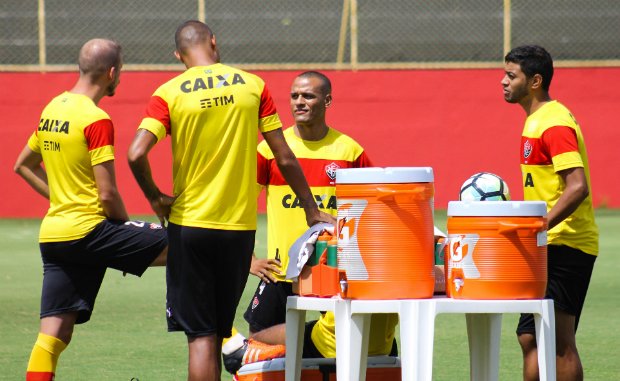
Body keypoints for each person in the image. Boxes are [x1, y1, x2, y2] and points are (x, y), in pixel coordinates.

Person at [126, 22, 334, 381]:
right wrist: (312, 211)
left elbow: (135, 153)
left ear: (179, 56)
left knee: (201, 337)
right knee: (222, 326)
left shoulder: (169, 92)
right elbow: (284, 156)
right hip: (238, 232)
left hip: (190, 226)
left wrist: (156, 198)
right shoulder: (253, 85)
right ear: (214, 43)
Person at [221, 71, 398, 374]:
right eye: (294, 96)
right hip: (284, 269)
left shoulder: (349, 151)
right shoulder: (270, 150)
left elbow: (373, 211)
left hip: (331, 267)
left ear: (327, 100)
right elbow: (240, 206)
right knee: (257, 344)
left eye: (308, 96)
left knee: (362, 343)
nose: (299, 102)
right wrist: (248, 259)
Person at [14, 39, 168, 381]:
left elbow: (23, 165)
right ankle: (232, 345)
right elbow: (108, 193)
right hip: (88, 232)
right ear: (112, 73)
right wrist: (125, 234)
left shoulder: (53, 108)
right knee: (186, 245)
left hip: (54, 235)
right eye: (121, 71)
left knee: (53, 335)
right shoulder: (95, 119)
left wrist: (61, 200)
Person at [502, 45, 598, 381]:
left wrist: (538, 226)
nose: (503, 81)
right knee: (529, 336)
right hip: (546, 244)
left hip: (567, 244)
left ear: (535, 80)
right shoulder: (535, 121)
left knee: (559, 342)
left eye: (511, 76)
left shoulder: (553, 123)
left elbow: (577, 186)